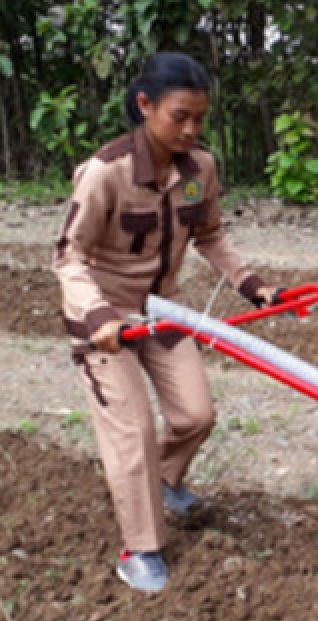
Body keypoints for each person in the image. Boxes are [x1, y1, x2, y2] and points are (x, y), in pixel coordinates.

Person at [52, 52, 275, 592]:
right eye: (180, 117)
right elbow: (69, 257)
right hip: (105, 317)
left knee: (197, 414)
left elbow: (210, 235)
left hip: (163, 307)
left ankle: (163, 479)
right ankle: (142, 546)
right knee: (132, 429)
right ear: (145, 105)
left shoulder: (200, 168)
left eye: (199, 118)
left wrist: (252, 284)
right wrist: (99, 314)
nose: (191, 130)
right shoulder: (106, 173)